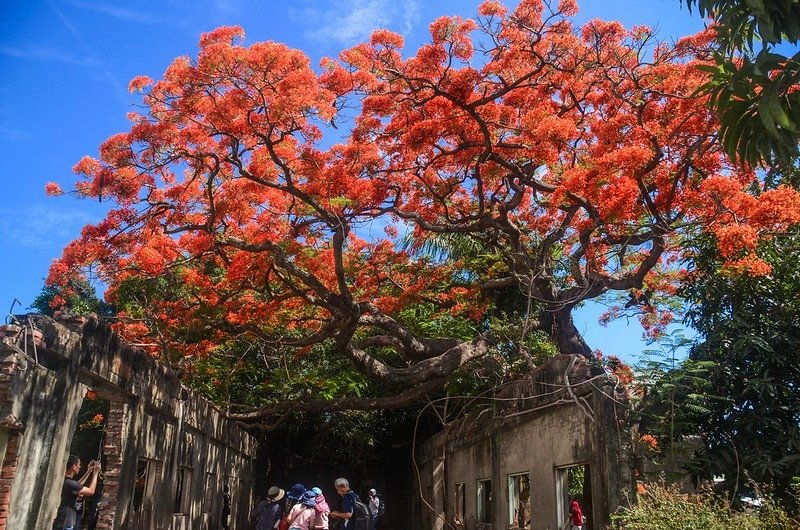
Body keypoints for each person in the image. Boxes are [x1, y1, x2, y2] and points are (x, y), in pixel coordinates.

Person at [53, 455, 101, 530]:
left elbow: (78, 486)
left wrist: (88, 471)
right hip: (65, 524)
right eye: (79, 465)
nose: (80, 467)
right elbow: (91, 491)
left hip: (63, 522)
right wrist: (95, 473)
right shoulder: (70, 483)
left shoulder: (66, 481)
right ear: (73, 466)